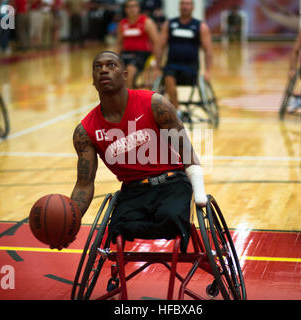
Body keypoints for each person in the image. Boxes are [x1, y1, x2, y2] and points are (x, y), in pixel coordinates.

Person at [70, 51, 208, 252]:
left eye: (111, 65)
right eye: (97, 67)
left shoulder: (155, 104)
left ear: (125, 75)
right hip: (133, 192)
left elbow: (186, 152)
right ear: (93, 80)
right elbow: (84, 185)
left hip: (172, 183)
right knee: (117, 230)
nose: (104, 70)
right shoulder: (85, 131)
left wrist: (200, 192)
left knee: (171, 219)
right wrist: (70, 224)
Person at [158, 0, 213, 114]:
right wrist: (156, 67)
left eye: (188, 4)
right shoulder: (170, 24)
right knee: (168, 76)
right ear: (179, 6)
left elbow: (208, 50)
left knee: (171, 75)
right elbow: (160, 46)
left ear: (192, 7)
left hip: (191, 67)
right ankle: (177, 109)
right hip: (172, 65)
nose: (185, 6)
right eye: (182, 4)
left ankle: (175, 109)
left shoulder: (200, 26)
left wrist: (208, 71)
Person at [115, 0, 159, 89]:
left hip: (142, 54)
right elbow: (119, 43)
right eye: (129, 7)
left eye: (134, 6)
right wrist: (115, 58)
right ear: (126, 9)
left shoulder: (147, 22)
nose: (132, 9)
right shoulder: (122, 23)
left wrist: (156, 63)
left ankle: (128, 98)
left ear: (138, 8)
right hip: (126, 53)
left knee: (130, 69)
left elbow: (156, 42)